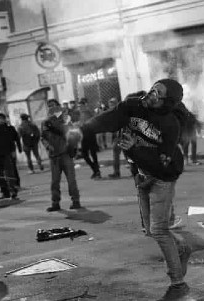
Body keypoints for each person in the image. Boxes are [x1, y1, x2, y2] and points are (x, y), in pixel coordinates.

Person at [81, 79, 192, 300]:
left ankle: (178, 284)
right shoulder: (133, 106)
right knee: (151, 230)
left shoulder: (170, 125)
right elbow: (110, 118)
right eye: (153, 88)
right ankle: (181, 249)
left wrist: (135, 151)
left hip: (163, 176)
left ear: (167, 102)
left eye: (158, 93)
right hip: (141, 174)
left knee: (159, 230)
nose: (151, 94)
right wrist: (84, 129)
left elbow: (162, 163)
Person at [42, 99, 81, 211]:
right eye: (49, 106)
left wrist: (73, 147)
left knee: (71, 180)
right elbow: (43, 137)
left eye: (53, 105)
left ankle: (76, 201)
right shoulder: (45, 122)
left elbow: (73, 134)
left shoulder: (65, 119)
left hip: (65, 154)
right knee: (55, 182)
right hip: (54, 156)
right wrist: (48, 146)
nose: (51, 107)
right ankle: (55, 203)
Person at [79, 98, 101, 179]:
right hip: (83, 135)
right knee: (84, 154)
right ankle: (95, 169)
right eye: (80, 104)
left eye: (82, 104)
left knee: (93, 153)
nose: (81, 106)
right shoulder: (81, 113)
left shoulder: (90, 111)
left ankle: (97, 171)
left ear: (86, 104)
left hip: (90, 134)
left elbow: (95, 118)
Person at [107, 97, 127, 179]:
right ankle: (116, 172)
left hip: (122, 136)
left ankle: (117, 172)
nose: (111, 105)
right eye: (110, 104)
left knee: (127, 155)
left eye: (112, 104)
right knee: (117, 155)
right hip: (118, 137)